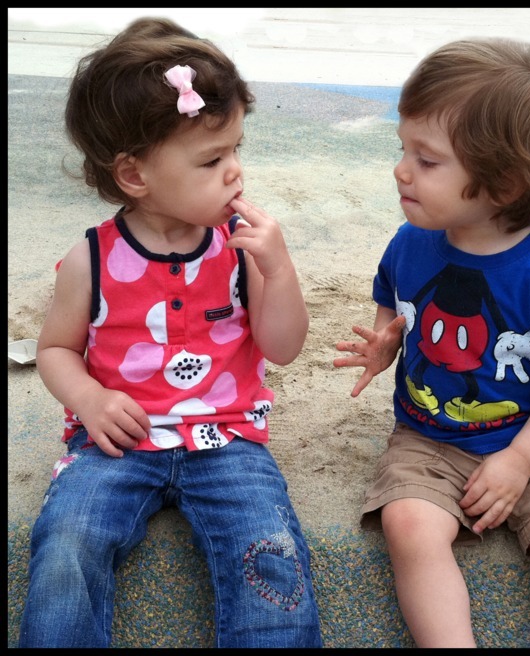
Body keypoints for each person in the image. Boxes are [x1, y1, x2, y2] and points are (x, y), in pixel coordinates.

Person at [19, 17, 320, 648]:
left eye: (236, 149)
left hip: (228, 438)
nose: (235, 172)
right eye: (212, 159)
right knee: (66, 543)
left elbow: (284, 346)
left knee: (271, 554)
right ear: (134, 176)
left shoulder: (239, 248)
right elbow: (55, 349)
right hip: (117, 441)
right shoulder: (92, 260)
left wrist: (279, 270)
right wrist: (89, 398)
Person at [332, 37, 530, 648]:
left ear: (504, 184)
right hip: (429, 436)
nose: (401, 169)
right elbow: (394, 297)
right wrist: (387, 340)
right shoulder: (413, 240)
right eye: (403, 149)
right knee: (409, 527)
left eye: (427, 160)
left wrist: (521, 461)